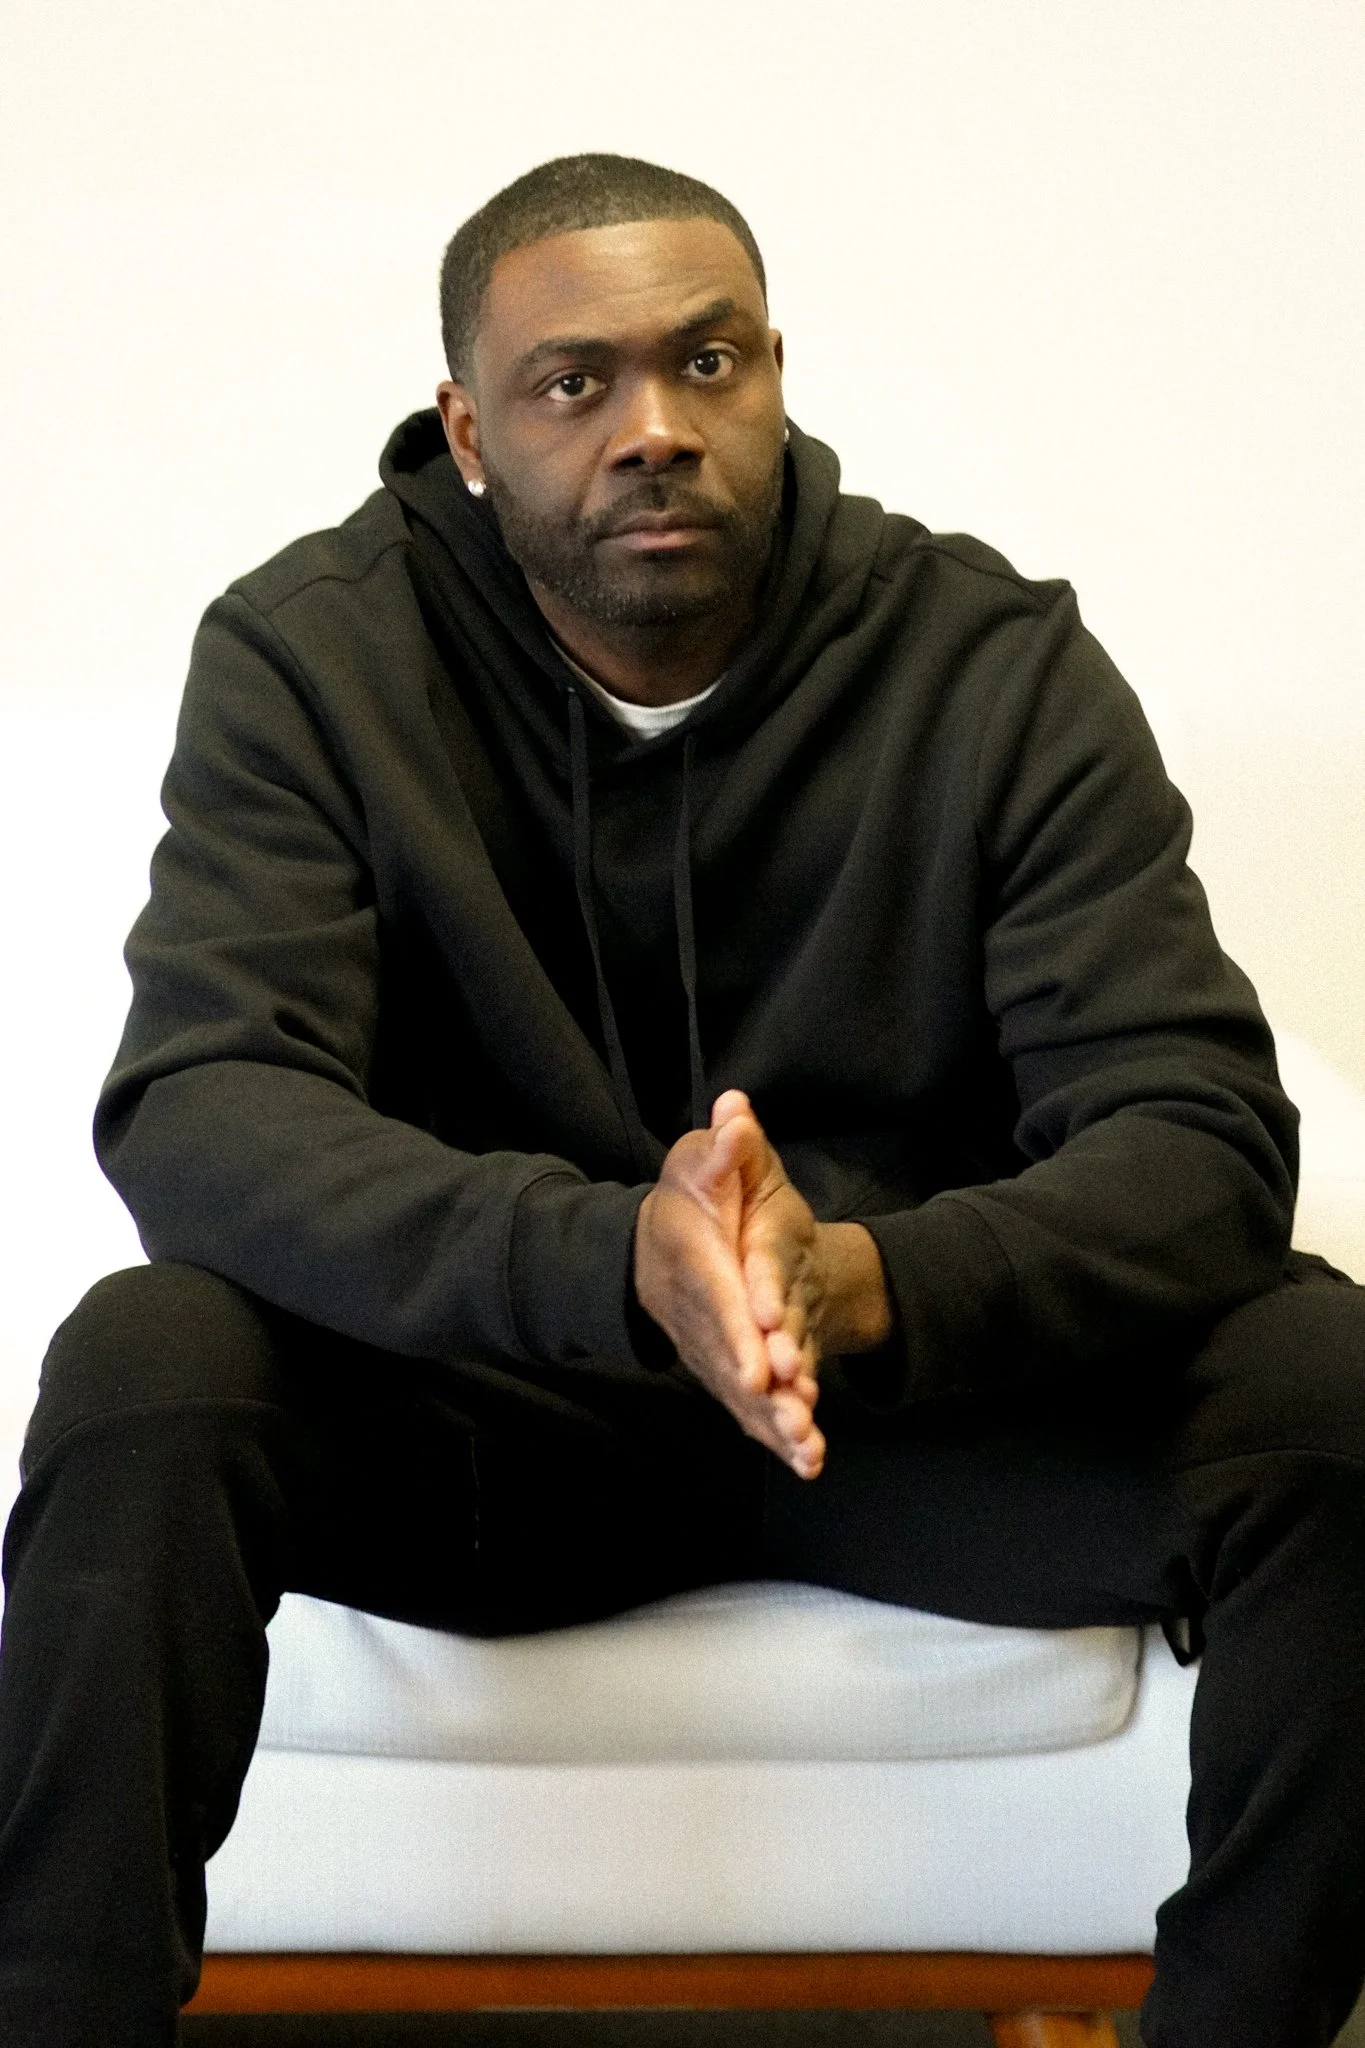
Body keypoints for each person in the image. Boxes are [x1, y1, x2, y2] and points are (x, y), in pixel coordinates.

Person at [0, 150, 1362, 2048]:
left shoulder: (987, 661)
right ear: (470, 431)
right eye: (576, 385)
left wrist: (862, 1282)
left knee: (1324, 1390)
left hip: (893, 1403)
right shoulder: (315, 658)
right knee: (147, 1364)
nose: (655, 428)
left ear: (777, 373)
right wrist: (608, 1259)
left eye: (707, 363)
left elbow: (1198, 1126)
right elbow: (208, 1105)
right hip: (492, 1414)